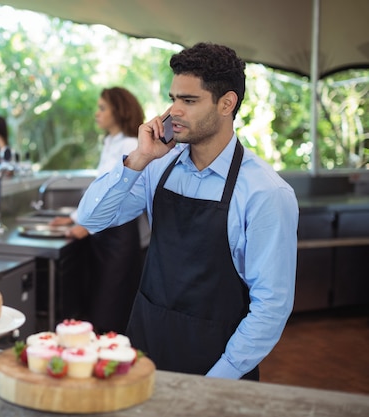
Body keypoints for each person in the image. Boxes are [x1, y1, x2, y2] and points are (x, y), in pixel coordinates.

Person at [76, 42, 299, 380]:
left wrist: (215, 382)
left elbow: (271, 308)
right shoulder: (155, 168)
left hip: (217, 365)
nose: (174, 111)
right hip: (145, 349)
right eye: (173, 98)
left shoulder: (266, 192)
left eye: (189, 100)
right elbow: (92, 218)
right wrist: (137, 160)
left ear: (226, 103)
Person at [50, 86, 146, 334]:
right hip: (103, 234)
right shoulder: (110, 142)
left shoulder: (131, 143)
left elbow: (125, 197)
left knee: (110, 308)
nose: (96, 114)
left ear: (119, 110)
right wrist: (74, 218)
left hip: (119, 236)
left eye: (102, 108)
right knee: (99, 306)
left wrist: (84, 225)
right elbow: (101, 190)